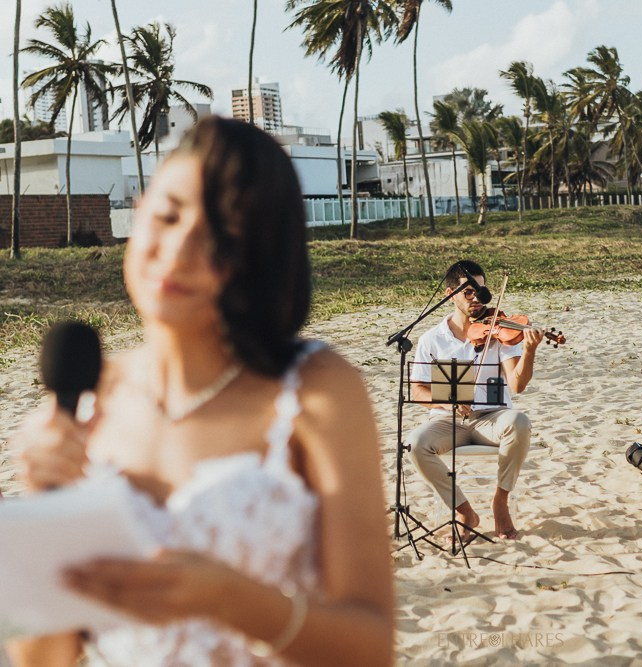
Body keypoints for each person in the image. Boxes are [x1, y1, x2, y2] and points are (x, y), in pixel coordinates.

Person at [7, 117, 393, 666]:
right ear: (138, 213)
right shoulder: (88, 402)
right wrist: (43, 502)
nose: (180, 249)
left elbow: (372, 648)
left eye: (220, 235)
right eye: (167, 216)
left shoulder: (315, 391)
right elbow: (41, 657)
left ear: (258, 259)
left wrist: (231, 600)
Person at [407, 260, 542, 542]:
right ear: (449, 294)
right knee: (416, 444)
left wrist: (528, 351)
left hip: (491, 419)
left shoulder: (500, 333)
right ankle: (465, 512)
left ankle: (500, 503)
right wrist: (447, 402)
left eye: (481, 291)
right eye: (468, 292)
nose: (477, 299)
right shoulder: (432, 339)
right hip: (448, 421)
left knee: (519, 422)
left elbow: (517, 385)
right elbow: (418, 389)